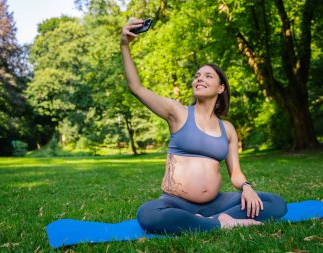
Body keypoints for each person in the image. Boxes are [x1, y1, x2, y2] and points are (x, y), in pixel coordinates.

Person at [120, 19, 287, 234]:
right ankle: (221, 223)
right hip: (175, 202)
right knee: (148, 215)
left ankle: (205, 220)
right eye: (197, 76)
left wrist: (247, 188)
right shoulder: (178, 113)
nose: (200, 78)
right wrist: (124, 44)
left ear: (220, 88)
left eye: (208, 76)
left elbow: (235, 173)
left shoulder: (227, 129)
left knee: (275, 203)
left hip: (216, 203)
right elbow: (136, 87)